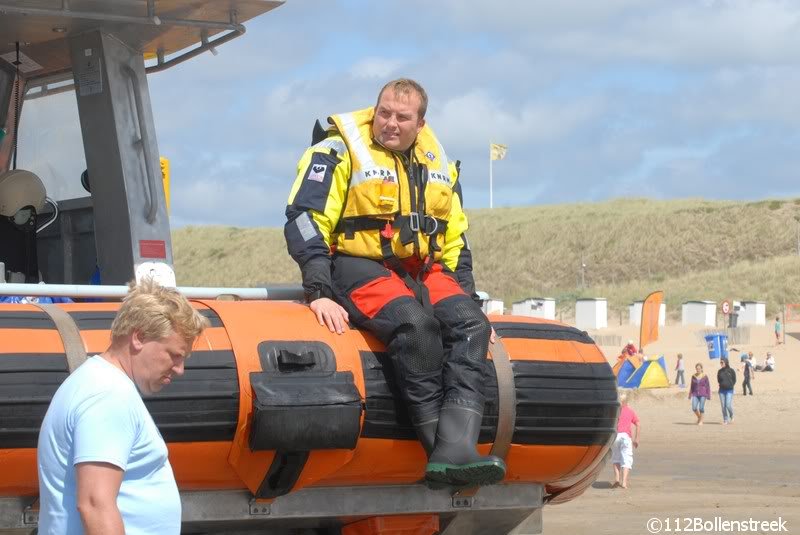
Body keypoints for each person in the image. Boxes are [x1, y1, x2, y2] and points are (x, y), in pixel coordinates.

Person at [284, 78, 503, 488]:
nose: (390, 123)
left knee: (473, 325)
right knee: (416, 327)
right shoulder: (336, 150)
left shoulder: (438, 163)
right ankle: (439, 450)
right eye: (384, 112)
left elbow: (454, 238)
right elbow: (304, 220)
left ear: (420, 124)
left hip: (422, 269)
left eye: (402, 117)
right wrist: (319, 291)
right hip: (357, 264)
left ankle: (457, 449)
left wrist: (469, 299)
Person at [37, 279, 210, 534]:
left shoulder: (95, 382)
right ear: (139, 337)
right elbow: (95, 504)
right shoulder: (108, 395)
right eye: (174, 355)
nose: (180, 369)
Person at [611, 391, 640, 489]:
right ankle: (624, 482)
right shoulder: (630, 411)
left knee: (616, 458)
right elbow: (638, 424)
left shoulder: (615, 411)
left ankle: (617, 478)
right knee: (627, 459)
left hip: (616, 436)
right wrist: (637, 438)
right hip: (626, 437)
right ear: (627, 402)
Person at [717, 358, 737, 424]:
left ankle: (731, 415)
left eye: (722, 362)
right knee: (723, 406)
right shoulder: (719, 371)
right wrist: (722, 384)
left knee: (728, 405)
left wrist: (730, 385)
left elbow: (734, 380)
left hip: (729, 390)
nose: (721, 364)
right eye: (720, 362)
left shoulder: (731, 370)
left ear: (726, 362)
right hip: (721, 391)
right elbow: (719, 380)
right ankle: (725, 419)